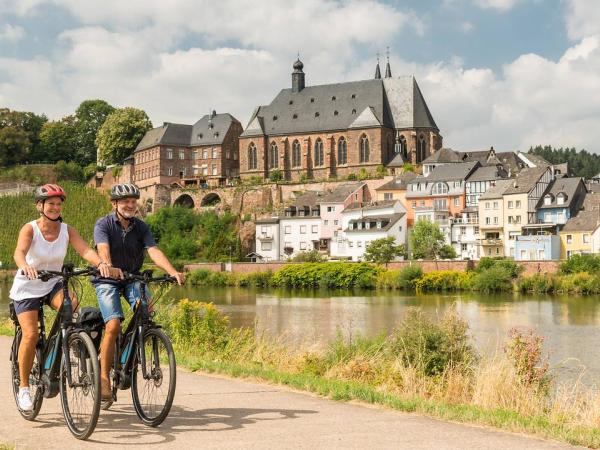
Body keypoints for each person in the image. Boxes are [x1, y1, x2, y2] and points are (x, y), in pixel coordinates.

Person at [10, 184, 116, 411]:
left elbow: (85, 250)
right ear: (40, 206)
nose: (56, 207)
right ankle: (25, 388)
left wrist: (102, 264)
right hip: (28, 286)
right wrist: (25, 266)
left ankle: (67, 341)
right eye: (51, 204)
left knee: (72, 304)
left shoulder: (67, 230)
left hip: (53, 283)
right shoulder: (30, 229)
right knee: (29, 334)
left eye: (59, 204)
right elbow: (19, 252)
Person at [93, 183, 185, 401]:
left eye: (134, 201)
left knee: (147, 310)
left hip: (132, 277)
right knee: (113, 325)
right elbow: (102, 248)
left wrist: (172, 271)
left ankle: (131, 352)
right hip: (107, 279)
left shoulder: (141, 227)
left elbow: (153, 250)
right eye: (125, 201)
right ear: (114, 203)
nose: (130, 205)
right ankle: (104, 378)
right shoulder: (103, 224)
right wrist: (107, 265)